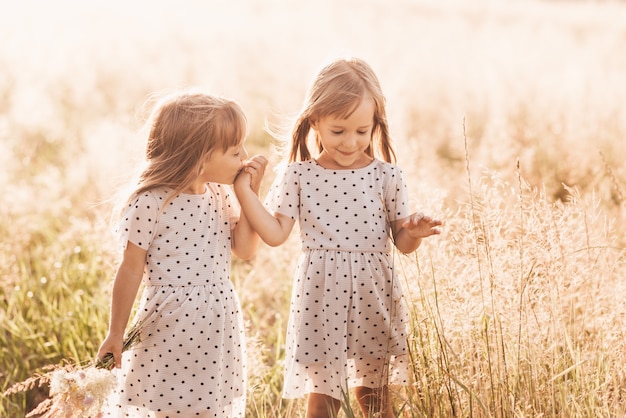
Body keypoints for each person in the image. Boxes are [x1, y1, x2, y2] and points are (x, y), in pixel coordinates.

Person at [234, 57, 442, 417]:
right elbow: (275, 234)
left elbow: (402, 244)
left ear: (376, 124)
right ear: (315, 120)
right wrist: (246, 193)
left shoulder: (388, 176)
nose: (350, 143)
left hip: (373, 295)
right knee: (324, 399)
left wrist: (416, 234)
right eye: (338, 131)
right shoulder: (298, 175)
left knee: (375, 396)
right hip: (320, 298)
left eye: (362, 132)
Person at [97, 91, 268, 418]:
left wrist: (248, 194)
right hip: (169, 326)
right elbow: (131, 269)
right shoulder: (150, 202)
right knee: (166, 405)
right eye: (235, 152)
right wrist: (115, 333)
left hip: (217, 326)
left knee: (209, 406)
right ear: (199, 156)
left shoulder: (220, 193)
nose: (245, 157)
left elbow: (245, 250)